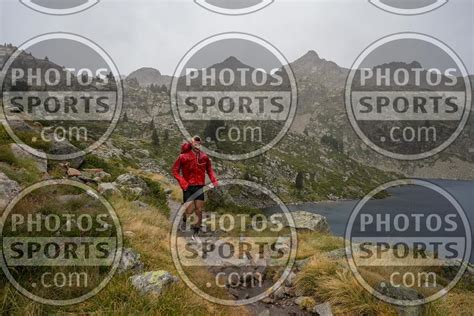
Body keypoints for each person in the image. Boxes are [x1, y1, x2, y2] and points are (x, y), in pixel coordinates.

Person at [172, 136, 218, 239]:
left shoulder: (204, 157)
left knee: (199, 209)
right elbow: (175, 171)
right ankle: (184, 220)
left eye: (199, 144)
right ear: (191, 144)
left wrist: (214, 180)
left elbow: (209, 170)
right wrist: (183, 182)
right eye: (195, 143)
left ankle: (196, 232)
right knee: (189, 210)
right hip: (187, 186)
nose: (197, 145)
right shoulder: (183, 157)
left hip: (199, 186)